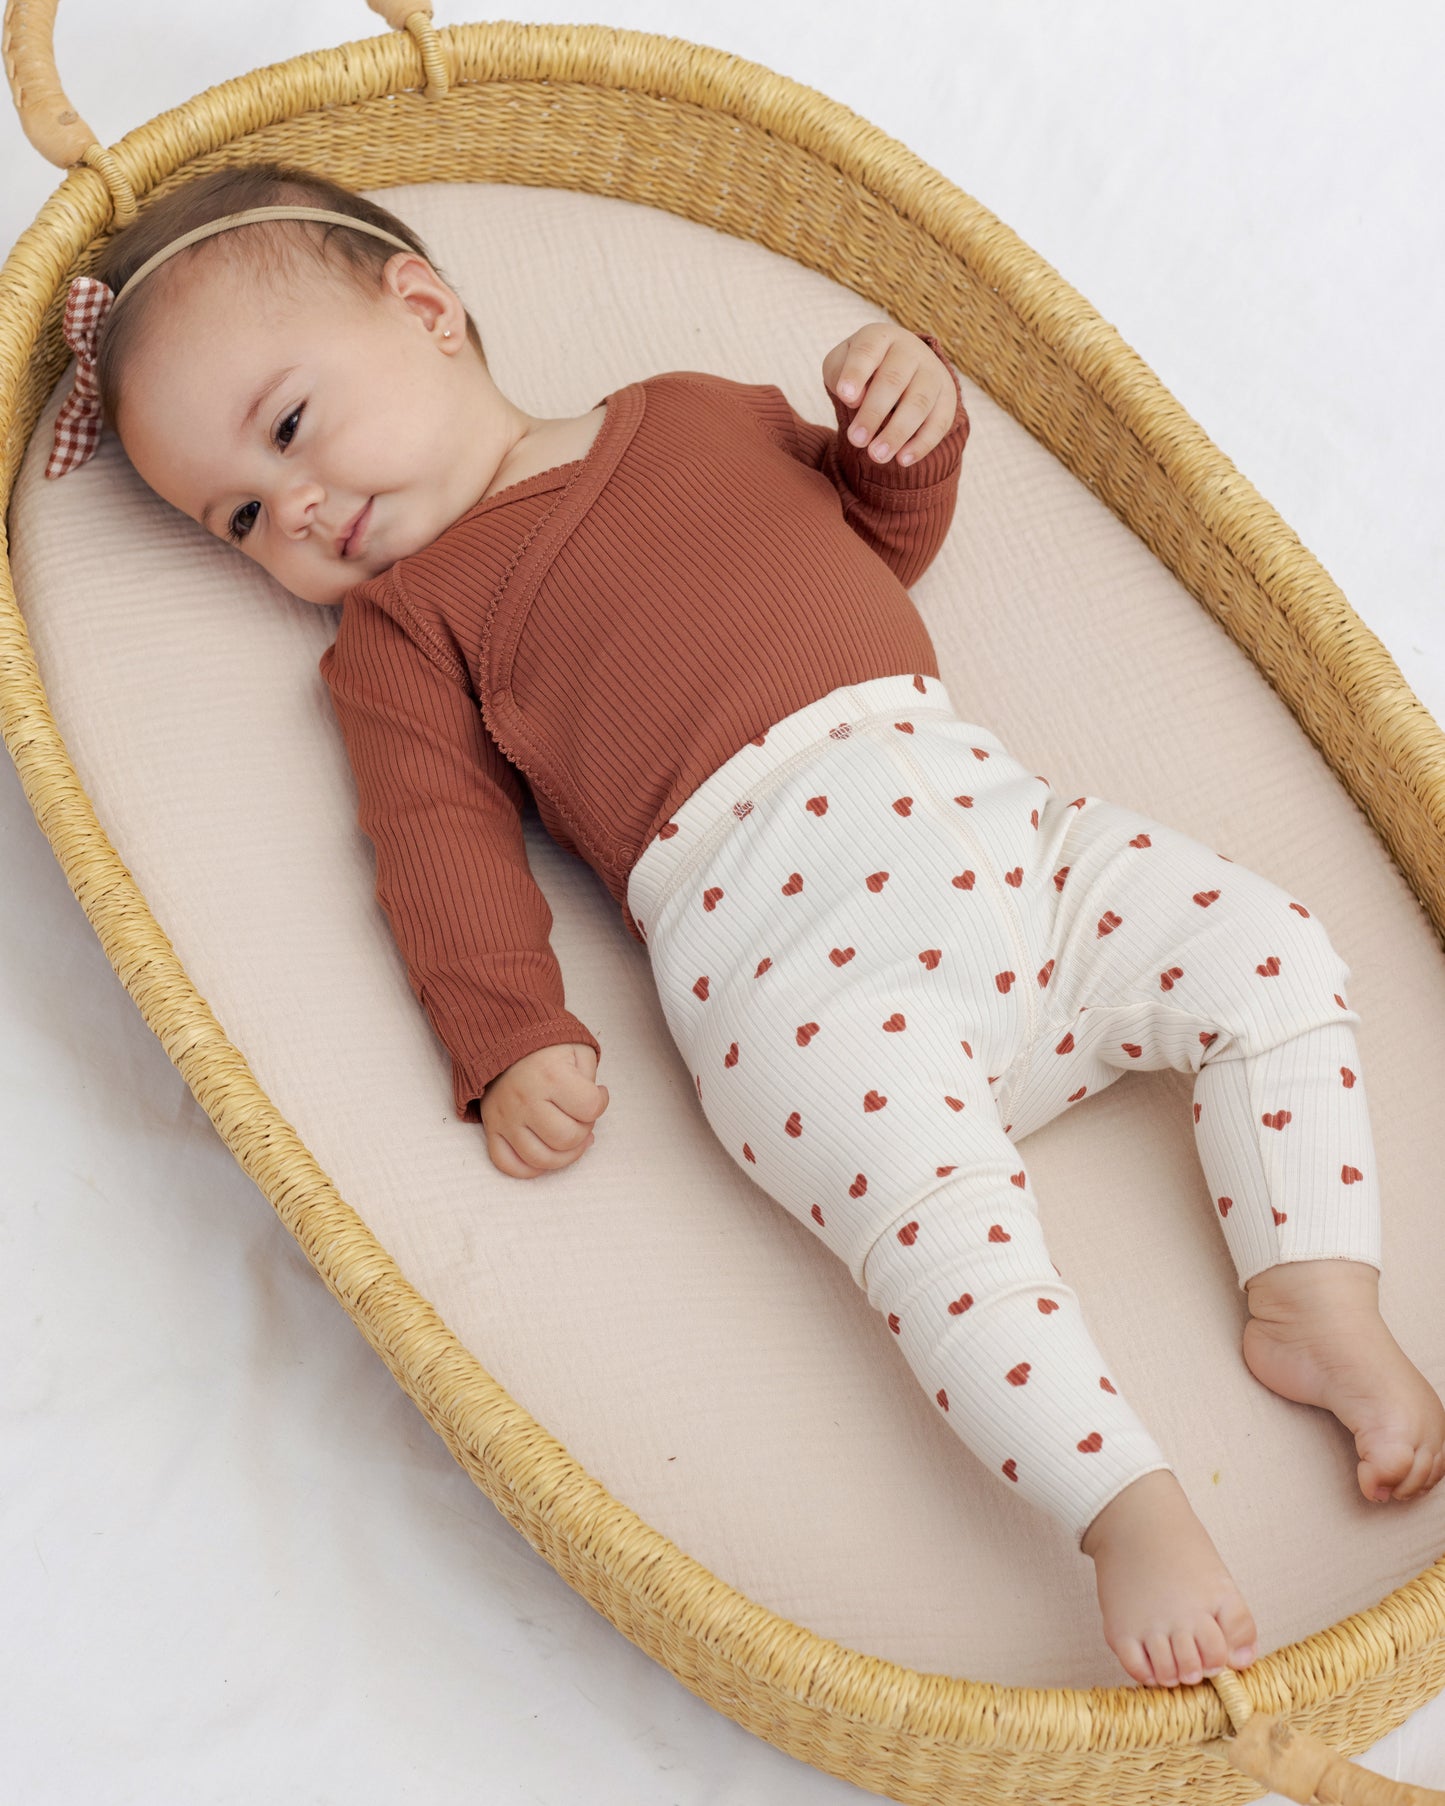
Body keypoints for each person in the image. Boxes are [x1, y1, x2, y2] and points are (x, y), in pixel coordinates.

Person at [49, 158, 1445, 1690]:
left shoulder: (693, 409)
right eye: (244, 516)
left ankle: (1314, 1289)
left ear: (427, 310)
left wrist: (908, 426)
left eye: (290, 428)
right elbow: (432, 842)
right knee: (940, 1233)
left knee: (1264, 946)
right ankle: (1122, 1504)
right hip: (798, 974)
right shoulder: (400, 631)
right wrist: (506, 1033)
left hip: (1004, 835)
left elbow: (871, 534)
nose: (298, 508)